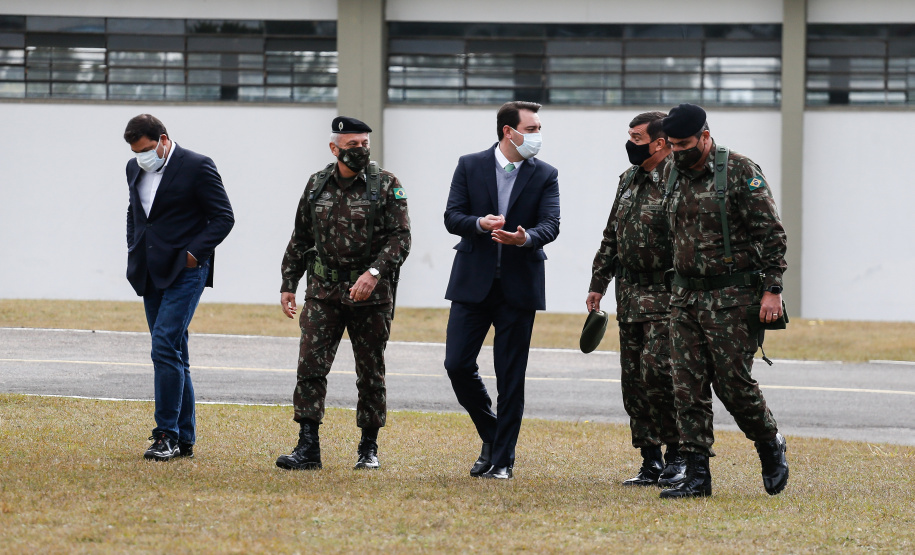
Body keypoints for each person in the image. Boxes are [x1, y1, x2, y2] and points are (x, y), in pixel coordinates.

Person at [658, 103, 789, 498]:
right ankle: (697, 476)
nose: (678, 151)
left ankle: (769, 442)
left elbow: (771, 235)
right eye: (672, 145)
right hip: (684, 296)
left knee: (733, 383)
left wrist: (773, 289)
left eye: (684, 144)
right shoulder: (669, 172)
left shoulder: (739, 170)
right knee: (686, 386)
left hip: (732, 295)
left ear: (705, 135)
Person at [276, 116, 410, 471]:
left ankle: (368, 448)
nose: (361, 151)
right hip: (322, 291)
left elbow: (401, 238)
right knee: (310, 367)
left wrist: (374, 272)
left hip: (370, 295)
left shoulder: (386, 185)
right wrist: (289, 283)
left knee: (370, 373)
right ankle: (308, 447)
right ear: (334, 148)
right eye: (353, 146)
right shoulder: (317, 184)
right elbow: (300, 237)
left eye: (365, 145)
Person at [443, 101, 560, 480]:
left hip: (519, 286)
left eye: (540, 128)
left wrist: (525, 237)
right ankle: (492, 434)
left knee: (511, 377)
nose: (538, 135)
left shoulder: (545, 173)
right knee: (457, 365)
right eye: (533, 128)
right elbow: (452, 216)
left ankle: (503, 460)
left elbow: (551, 224)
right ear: (509, 131)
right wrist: (479, 222)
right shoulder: (470, 164)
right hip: (472, 284)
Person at [123, 114, 235, 461]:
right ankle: (184, 437)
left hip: (186, 270)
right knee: (174, 352)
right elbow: (136, 213)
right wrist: (132, 247)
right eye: (134, 151)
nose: (141, 156)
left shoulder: (198, 166)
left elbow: (224, 217)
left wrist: (193, 255)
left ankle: (165, 434)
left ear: (163, 140)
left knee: (163, 344)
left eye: (145, 149)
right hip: (150, 270)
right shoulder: (133, 168)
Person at [586, 111, 684, 487]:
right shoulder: (628, 179)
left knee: (660, 374)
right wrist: (599, 282)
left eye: (638, 137)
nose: (630, 144)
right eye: (629, 136)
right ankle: (650, 460)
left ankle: (678, 456)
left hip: (668, 295)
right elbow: (611, 232)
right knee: (634, 381)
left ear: (659, 143)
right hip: (630, 297)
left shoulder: (679, 178)